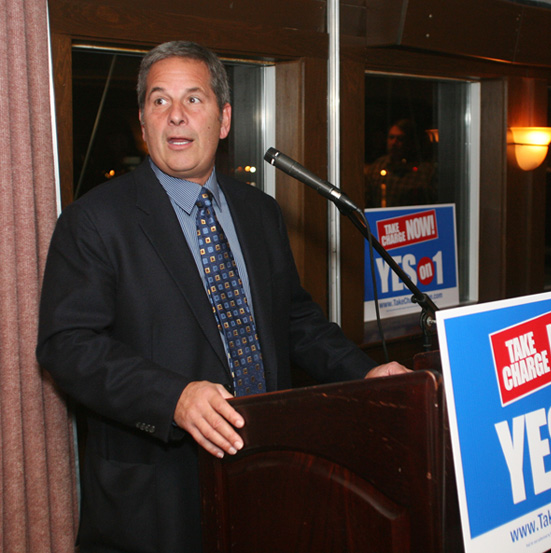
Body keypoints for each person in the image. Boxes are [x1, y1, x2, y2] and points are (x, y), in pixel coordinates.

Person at [36, 41, 408, 553]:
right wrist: (175, 398)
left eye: (194, 99)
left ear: (225, 117)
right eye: (159, 102)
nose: (176, 117)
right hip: (157, 496)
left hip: (267, 470)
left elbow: (294, 319)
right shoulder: (95, 221)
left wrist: (363, 375)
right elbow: (68, 345)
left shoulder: (260, 211)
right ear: (143, 124)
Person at [365, 118, 436, 208]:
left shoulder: (424, 172)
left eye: (400, 139)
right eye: (391, 137)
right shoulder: (377, 168)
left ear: (410, 142)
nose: (394, 142)